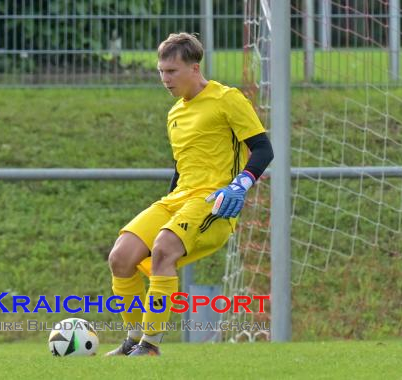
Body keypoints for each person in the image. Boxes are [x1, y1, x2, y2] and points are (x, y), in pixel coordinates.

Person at [106, 32, 274, 356]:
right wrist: (168, 207)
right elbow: (181, 168)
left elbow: (263, 148)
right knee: (120, 257)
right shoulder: (174, 114)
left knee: (163, 249)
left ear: (194, 69)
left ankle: (150, 345)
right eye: (161, 71)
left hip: (214, 200)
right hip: (178, 198)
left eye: (172, 71)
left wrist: (241, 183)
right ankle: (132, 339)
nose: (164, 79)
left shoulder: (227, 99)